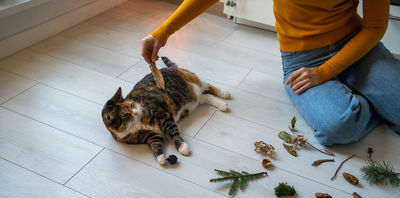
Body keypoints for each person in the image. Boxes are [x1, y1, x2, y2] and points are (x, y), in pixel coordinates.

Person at [141, 0, 400, 146]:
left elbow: (375, 26)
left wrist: (325, 73)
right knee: (339, 127)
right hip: (303, 58)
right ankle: (365, 101)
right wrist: (162, 32)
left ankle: (354, 95)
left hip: (358, 45)